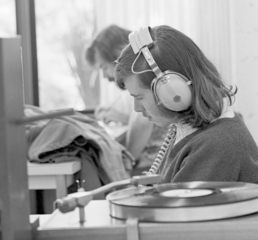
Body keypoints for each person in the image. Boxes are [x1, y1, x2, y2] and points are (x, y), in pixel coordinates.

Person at [114, 25, 258, 183]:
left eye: (139, 97)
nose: (136, 108)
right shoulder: (191, 131)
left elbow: (178, 208)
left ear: (172, 90)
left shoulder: (213, 147)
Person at [85, 25, 168, 172]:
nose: (105, 76)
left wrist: (125, 164)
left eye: (103, 67)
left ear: (117, 56)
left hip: (153, 168)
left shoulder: (144, 74)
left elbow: (142, 123)